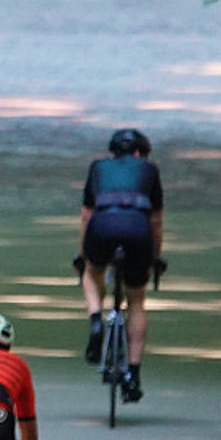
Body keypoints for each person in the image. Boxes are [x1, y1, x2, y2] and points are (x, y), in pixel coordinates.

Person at [79, 128, 165, 403]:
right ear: (140, 153)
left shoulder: (97, 168)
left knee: (92, 273)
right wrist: (154, 255)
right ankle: (134, 375)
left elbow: (85, 216)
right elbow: (156, 221)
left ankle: (95, 320)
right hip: (138, 230)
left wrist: (84, 253)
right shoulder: (149, 170)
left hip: (102, 226)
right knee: (136, 300)